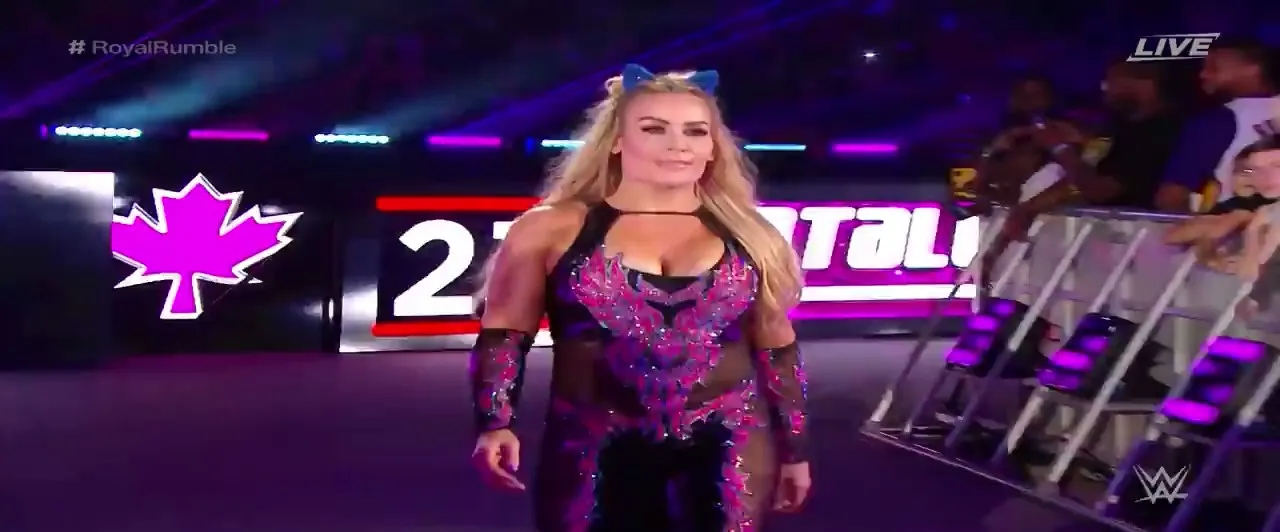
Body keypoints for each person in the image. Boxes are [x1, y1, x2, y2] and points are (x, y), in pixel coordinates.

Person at [467, 64, 811, 532]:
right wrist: (495, 422)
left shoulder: (754, 235)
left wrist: (795, 450)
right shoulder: (551, 228)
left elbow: (777, 347)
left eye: (695, 131)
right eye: (654, 129)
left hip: (729, 441)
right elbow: (506, 331)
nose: (678, 144)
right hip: (592, 440)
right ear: (616, 140)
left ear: (712, 147)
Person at [1157, 37, 1278, 212]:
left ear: (1252, 69)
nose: (1203, 74)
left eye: (1214, 68)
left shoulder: (1217, 121)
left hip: (1230, 224)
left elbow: (1172, 196)